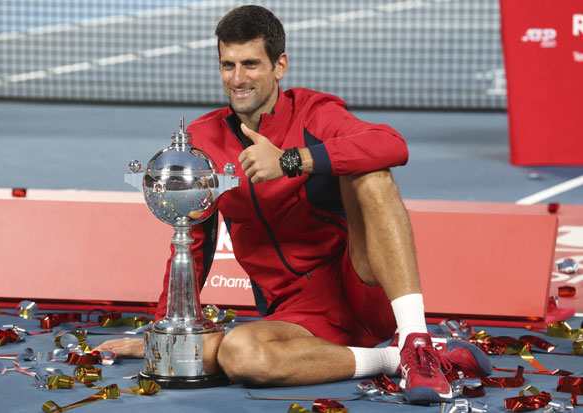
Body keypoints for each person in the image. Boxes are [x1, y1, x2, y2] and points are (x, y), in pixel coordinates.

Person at [95, 5, 492, 403]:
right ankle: (398, 359)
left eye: (251, 64)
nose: (238, 78)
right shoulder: (204, 139)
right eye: (228, 65)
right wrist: (164, 329)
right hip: (298, 315)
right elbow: (192, 243)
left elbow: (391, 145)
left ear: (279, 65)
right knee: (239, 354)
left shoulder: (313, 112)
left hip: (360, 284)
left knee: (371, 173)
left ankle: (415, 338)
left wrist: (290, 160)